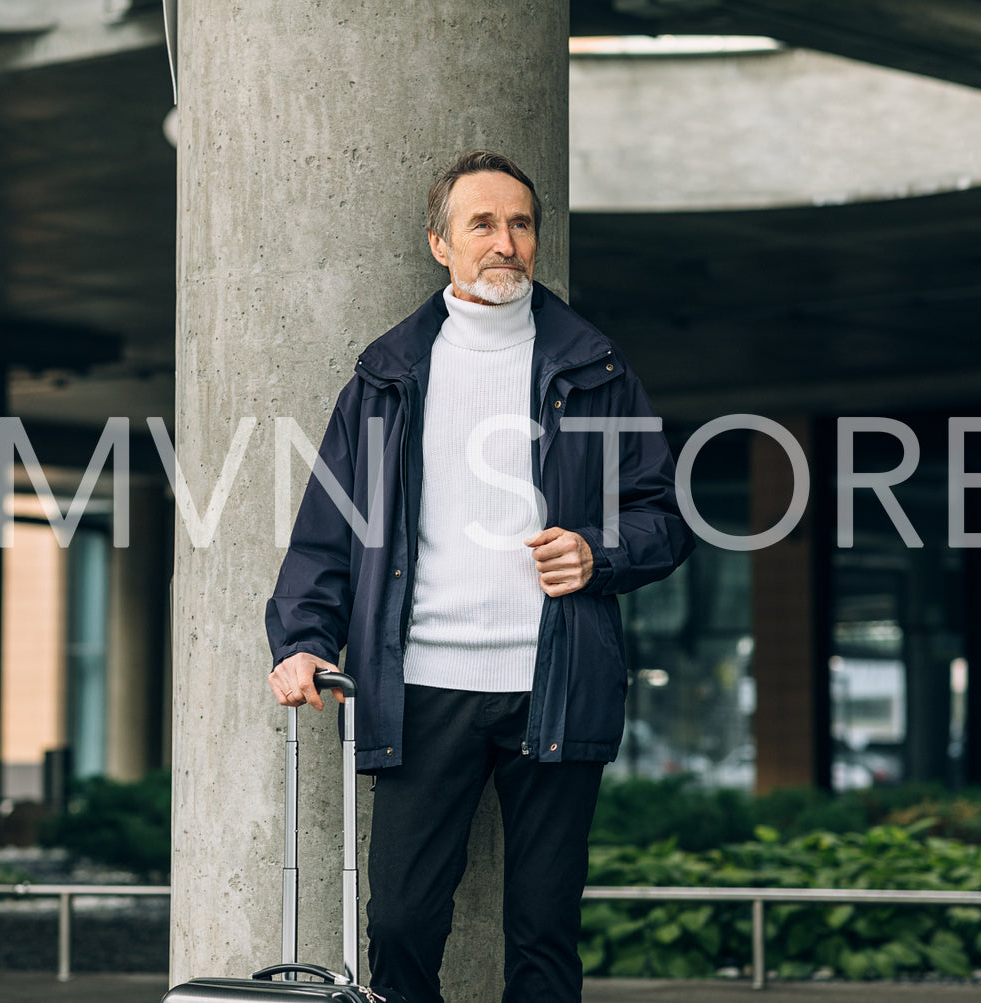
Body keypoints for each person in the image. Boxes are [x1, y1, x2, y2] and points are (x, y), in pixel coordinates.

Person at [265, 150, 694, 1003]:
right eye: (483, 224)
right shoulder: (386, 378)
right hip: (423, 685)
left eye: (521, 223)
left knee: (542, 931)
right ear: (440, 244)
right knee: (400, 924)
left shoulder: (595, 369)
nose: (506, 242)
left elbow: (665, 515)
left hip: (556, 678)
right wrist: (304, 640)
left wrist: (598, 553)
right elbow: (327, 530)